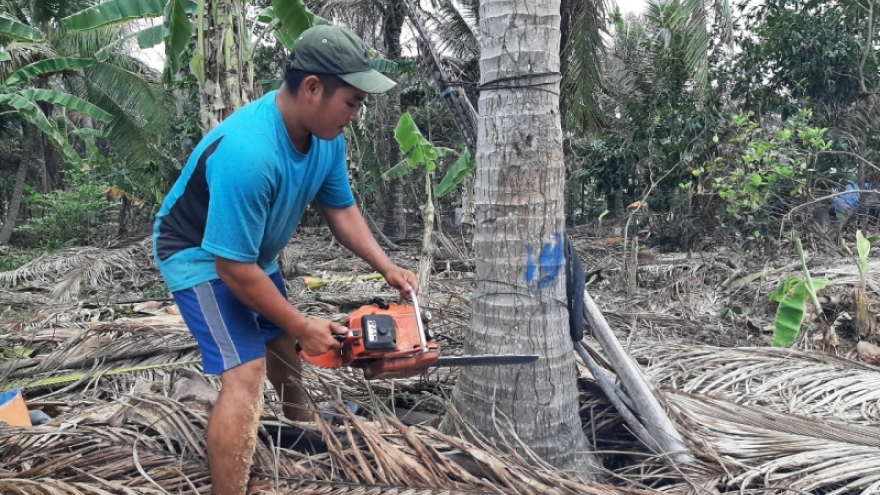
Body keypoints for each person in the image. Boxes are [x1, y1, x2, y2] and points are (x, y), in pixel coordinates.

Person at [152, 25, 418, 495]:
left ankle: (301, 431)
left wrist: (387, 266)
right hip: (199, 256)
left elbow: (341, 208)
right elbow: (231, 270)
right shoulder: (249, 153)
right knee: (246, 372)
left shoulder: (327, 136)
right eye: (352, 101)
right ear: (313, 88)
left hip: (252, 253)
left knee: (282, 349)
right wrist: (302, 324)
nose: (355, 115)